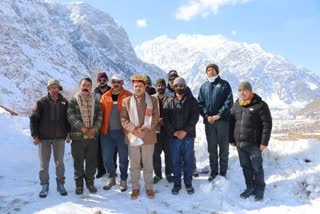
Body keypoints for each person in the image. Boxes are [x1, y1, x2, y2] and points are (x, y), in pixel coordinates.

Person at [229, 81, 272, 201]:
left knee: (257, 167)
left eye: (245, 90)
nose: (242, 92)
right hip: (240, 144)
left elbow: (267, 124)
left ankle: (259, 189)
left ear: (250, 91)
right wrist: (231, 139)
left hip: (254, 144)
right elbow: (231, 123)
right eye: (240, 90)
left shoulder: (260, 105)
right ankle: (250, 187)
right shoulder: (236, 104)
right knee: (245, 167)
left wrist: (264, 142)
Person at [121, 74, 159, 200]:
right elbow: (123, 119)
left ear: (144, 87)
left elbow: (155, 117)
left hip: (147, 136)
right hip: (133, 138)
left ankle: (149, 188)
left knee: (148, 164)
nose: (138, 88)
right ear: (133, 87)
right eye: (136, 86)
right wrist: (134, 130)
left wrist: (145, 129)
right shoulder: (126, 101)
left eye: (140, 86)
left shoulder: (152, 100)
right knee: (134, 165)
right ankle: (135, 188)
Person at [30, 79, 71, 198]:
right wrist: (35, 135)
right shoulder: (41, 102)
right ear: (48, 89)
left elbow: (68, 120)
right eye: (51, 88)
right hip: (44, 138)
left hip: (59, 138)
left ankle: (60, 184)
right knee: (44, 164)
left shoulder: (64, 102)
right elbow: (33, 119)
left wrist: (69, 133)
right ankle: (44, 185)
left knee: (60, 163)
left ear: (59, 89)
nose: (54, 90)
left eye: (56, 87)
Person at [163, 77, 199, 195]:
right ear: (174, 87)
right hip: (173, 137)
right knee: (175, 161)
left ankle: (188, 183)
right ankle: (177, 184)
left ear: (185, 86)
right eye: (177, 85)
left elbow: (194, 118)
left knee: (188, 161)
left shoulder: (192, 100)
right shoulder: (168, 100)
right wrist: (173, 132)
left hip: (187, 136)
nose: (179, 87)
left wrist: (185, 131)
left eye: (181, 85)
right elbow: (166, 118)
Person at [198, 63, 233, 181]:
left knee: (223, 148)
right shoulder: (204, 87)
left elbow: (228, 102)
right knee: (212, 148)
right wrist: (207, 116)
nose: (210, 72)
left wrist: (218, 115)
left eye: (212, 70)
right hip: (209, 122)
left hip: (222, 121)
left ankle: (223, 172)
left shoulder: (224, 85)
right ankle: (213, 171)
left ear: (217, 71)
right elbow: (200, 103)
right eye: (208, 70)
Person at [67, 77, 102, 194]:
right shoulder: (73, 100)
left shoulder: (96, 101)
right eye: (84, 85)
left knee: (92, 162)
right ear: (80, 86)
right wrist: (82, 128)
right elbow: (70, 116)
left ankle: (90, 183)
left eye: (88, 85)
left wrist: (94, 129)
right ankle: (79, 185)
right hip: (78, 137)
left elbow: (100, 116)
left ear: (91, 88)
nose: (85, 87)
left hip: (92, 138)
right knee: (78, 162)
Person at [100, 74, 132, 192]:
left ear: (122, 83)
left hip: (122, 133)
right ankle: (111, 177)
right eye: (114, 81)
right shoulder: (105, 96)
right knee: (107, 158)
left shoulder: (128, 95)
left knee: (123, 158)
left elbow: (132, 113)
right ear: (111, 83)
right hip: (106, 133)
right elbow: (100, 114)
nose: (116, 84)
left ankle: (123, 179)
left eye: (118, 81)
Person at [152, 78, 174, 184]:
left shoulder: (170, 98)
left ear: (165, 86)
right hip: (155, 130)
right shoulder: (151, 99)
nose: (160, 87)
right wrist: (157, 120)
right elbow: (148, 114)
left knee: (168, 153)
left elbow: (174, 113)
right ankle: (158, 174)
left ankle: (169, 173)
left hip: (168, 130)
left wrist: (164, 120)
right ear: (156, 87)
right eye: (158, 85)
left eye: (162, 85)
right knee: (156, 154)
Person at [94, 71, 111, 179]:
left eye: (104, 80)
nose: (102, 82)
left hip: (110, 124)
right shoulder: (94, 92)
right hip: (98, 124)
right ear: (97, 81)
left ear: (107, 80)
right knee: (98, 149)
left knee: (111, 150)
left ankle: (111, 170)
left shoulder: (111, 91)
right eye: (100, 80)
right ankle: (101, 170)